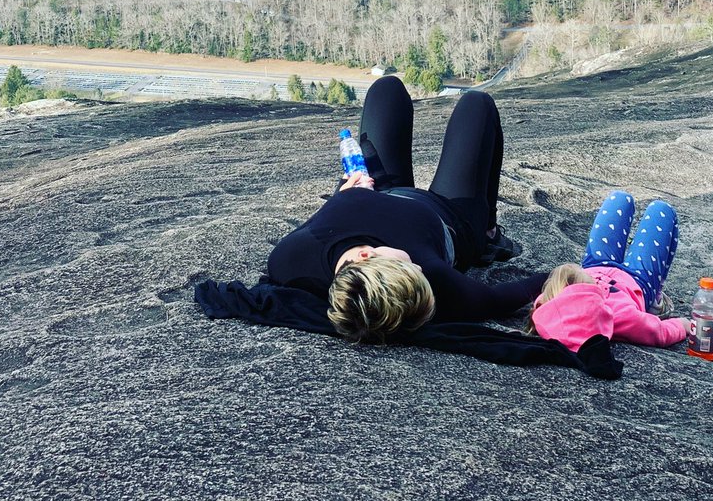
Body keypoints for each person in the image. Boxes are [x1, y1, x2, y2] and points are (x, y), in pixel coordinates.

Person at [265, 76, 547, 343]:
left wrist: (345, 190)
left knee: (386, 89)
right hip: (451, 214)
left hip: (380, 189)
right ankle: (488, 231)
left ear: (365, 256)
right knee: (476, 104)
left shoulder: (288, 262)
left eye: (411, 266)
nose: (420, 266)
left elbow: (324, 220)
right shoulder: (435, 276)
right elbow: (497, 300)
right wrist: (559, 276)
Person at [527, 190, 689, 350]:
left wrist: (582, 277)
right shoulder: (621, 316)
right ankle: (655, 300)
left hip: (595, 265)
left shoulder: (548, 305)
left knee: (620, 198)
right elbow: (658, 333)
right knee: (661, 210)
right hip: (637, 281)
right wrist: (683, 326)